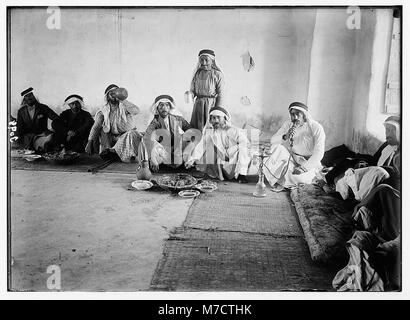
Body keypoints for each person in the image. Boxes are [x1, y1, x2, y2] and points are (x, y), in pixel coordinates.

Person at [263, 102, 326, 192]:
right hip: (293, 158)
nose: (295, 117)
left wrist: (304, 168)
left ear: (304, 114)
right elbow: (273, 140)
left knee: (299, 179)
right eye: (292, 114)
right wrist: (285, 136)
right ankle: (284, 178)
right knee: (276, 148)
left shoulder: (316, 127)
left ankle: (285, 179)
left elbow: (319, 153)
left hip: (308, 162)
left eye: (298, 114)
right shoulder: (288, 124)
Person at [325, 116, 400, 189]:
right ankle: (328, 180)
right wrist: (361, 160)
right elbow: (375, 159)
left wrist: (369, 167)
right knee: (349, 160)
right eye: (387, 130)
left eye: (392, 130)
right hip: (374, 167)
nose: (388, 134)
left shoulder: (401, 152)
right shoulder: (386, 145)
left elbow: (393, 174)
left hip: (381, 177)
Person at [185, 106, 250, 182]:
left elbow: (246, 143)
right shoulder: (211, 132)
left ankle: (242, 175)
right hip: (222, 159)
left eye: (218, 118)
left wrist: (231, 150)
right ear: (210, 120)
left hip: (235, 157)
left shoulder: (234, 130)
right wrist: (191, 160)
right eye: (213, 118)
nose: (216, 120)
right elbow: (201, 146)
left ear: (225, 119)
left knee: (244, 149)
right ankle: (223, 172)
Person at [85, 84, 143, 162]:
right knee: (103, 131)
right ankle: (110, 152)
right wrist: (89, 142)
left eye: (115, 93)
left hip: (126, 137)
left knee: (132, 133)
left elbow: (136, 111)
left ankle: (114, 152)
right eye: (111, 93)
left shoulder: (125, 106)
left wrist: (122, 99)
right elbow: (96, 127)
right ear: (107, 96)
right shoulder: (103, 111)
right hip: (112, 138)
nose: (113, 95)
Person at [144, 94, 195, 172]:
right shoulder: (155, 122)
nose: (164, 108)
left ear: (170, 107)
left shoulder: (177, 119)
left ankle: (186, 162)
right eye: (161, 106)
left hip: (177, 150)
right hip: (164, 152)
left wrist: (190, 152)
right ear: (157, 108)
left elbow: (191, 131)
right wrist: (152, 158)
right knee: (151, 143)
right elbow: (147, 137)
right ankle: (157, 163)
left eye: (167, 105)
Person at [186, 49, 225, 131]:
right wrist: (190, 95)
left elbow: (221, 94)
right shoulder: (197, 74)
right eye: (201, 60)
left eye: (206, 60)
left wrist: (217, 110)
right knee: (197, 128)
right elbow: (192, 90)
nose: (203, 62)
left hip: (211, 105)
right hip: (198, 105)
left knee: (210, 127)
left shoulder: (218, 75)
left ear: (212, 61)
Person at [16, 87, 59, 152]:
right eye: (26, 96)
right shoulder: (21, 111)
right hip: (28, 139)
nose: (29, 97)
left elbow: (56, 118)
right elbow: (19, 128)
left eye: (31, 95)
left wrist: (53, 128)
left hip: (43, 136)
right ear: (24, 99)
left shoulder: (43, 107)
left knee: (50, 140)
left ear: (34, 96)